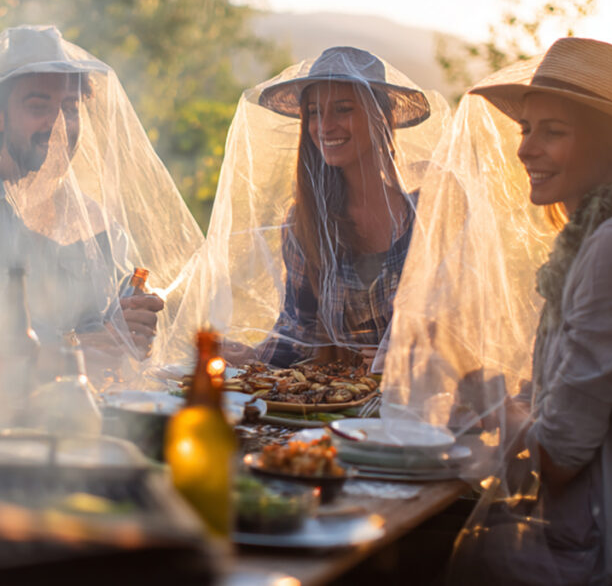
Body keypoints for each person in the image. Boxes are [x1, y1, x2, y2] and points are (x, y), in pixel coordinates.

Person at [404, 38, 612, 584]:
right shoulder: (608, 237)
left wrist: (475, 384)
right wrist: (500, 394)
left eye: (553, 131)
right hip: (601, 527)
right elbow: (573, 398)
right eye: (526, 128)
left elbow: (558, 461)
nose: (525, 150)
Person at [0, 25, 203, 378]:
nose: (60, 124)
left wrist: (135, 329)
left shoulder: (103, 229)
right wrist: (74, 349)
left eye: (70, 108)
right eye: (39, 106)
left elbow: (119, 343)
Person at [162, 47, 448, 372]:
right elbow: (299, 332)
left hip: (425, 403)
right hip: (347, 404)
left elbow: (468, 323)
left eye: (342, 109)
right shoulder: (306, 223)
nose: (324, 126)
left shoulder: (431, 213)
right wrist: (252, 358)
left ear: (383, 116)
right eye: (313, 112)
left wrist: (416, 352)